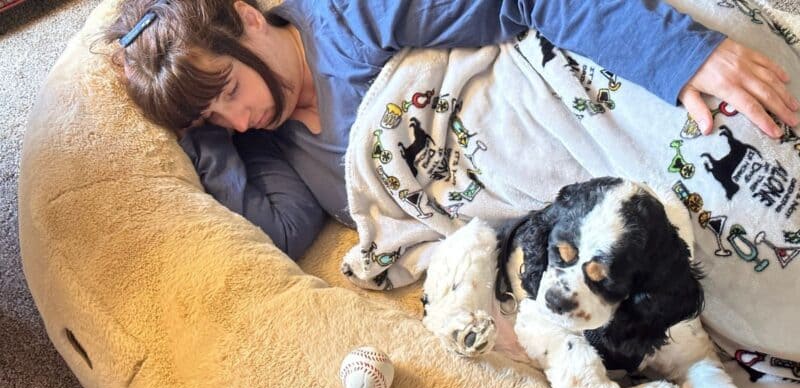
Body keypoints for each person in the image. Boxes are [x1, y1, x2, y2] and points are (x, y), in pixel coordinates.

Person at [103, 0, 799, 260]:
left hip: (549, 120)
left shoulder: (349, 19)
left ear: (250, 18)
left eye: (229, 90)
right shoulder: (271, 142)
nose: (240, 116)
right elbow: (281, 229)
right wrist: (203, 129)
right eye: (214, 120)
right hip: (530, 227)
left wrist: (680, 54)